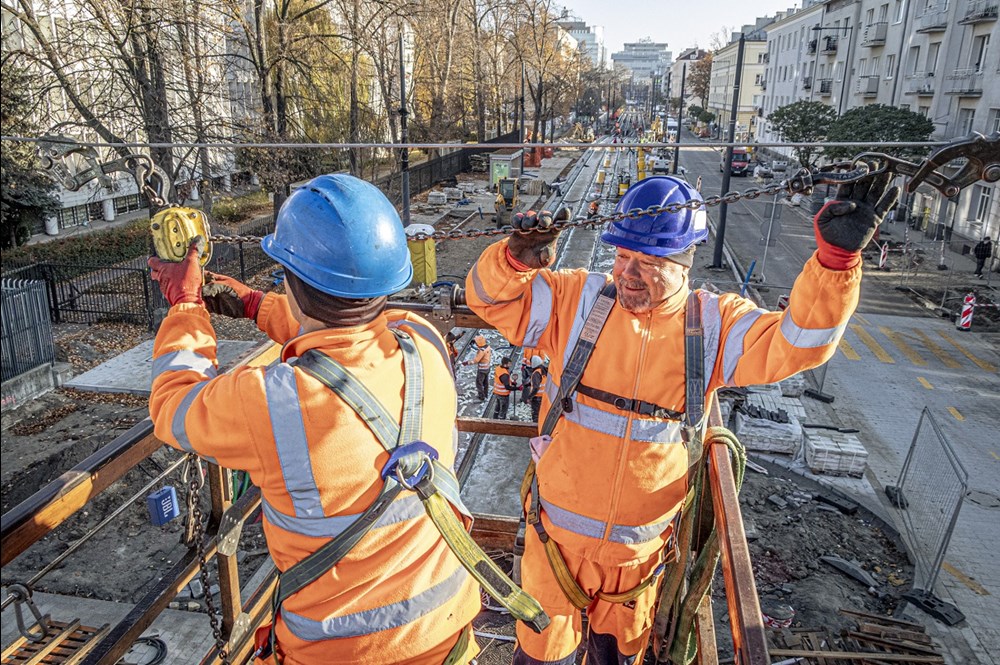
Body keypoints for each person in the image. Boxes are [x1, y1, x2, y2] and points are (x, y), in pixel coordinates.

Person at [466, 173, 898, 664]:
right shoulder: (577, 300)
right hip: (554, 543)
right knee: (542, 656)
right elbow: (489, 298)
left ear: (685, 261)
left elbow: (799, 345)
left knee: (618, 657)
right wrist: (513, 260)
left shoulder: (712, 326)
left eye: (649, 263)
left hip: (639, 560)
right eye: (623, 256)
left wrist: (834, 264)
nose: (629, 273)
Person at [147, 174, 482, 664]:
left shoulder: (272, 401)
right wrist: (258, 306)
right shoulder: (424, 344)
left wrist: (187, 306)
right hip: (445, 637)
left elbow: (173, 405)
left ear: (292, 280)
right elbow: (349, 337)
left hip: (339, 653)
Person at [463, 335, 492, 400]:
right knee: (485, 382)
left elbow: (476, 360)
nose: (476, 344)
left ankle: (481, 396)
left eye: (476, 342)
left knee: (479, 383)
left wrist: (467, 363)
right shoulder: (488, 347)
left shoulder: (481, 351)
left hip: (482, 369)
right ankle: (486, 394)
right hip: (487, 367)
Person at [522, 355, 547, 423]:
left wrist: (529, 397)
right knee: (543, 415)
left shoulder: (536, 373)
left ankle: (536, 429)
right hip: (544, 396)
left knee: (536, 415)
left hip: (537, 398)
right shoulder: (544, 370)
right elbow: (541, 382)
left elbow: (536, 387)